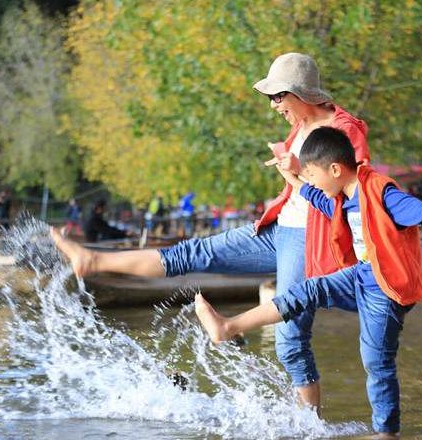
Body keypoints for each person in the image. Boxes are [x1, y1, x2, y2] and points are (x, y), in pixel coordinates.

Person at [51, 52, 370, 411]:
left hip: (311, 239)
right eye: (271, 98)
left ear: (301, 93)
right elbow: (299, 183)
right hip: (279, 229)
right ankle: (92, 259)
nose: (273, 106)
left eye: (278, 97)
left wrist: (296, 173)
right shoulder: (299, 126)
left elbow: (353, 192)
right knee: (193, 252)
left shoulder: (345, 129)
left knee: (290, 337)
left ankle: (309, 428)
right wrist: (289, 173)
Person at [194, 127, 422, 437]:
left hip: (385, 289)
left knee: (376, 361)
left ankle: (387, 432)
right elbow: (314, 196)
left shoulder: (380, 192)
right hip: (359, 275)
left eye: (313, 175)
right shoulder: (342, 194)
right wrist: (294, 180)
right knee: (304, 291)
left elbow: (416, 210)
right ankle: (228, 327)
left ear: (335, 169)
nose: (312, 182)